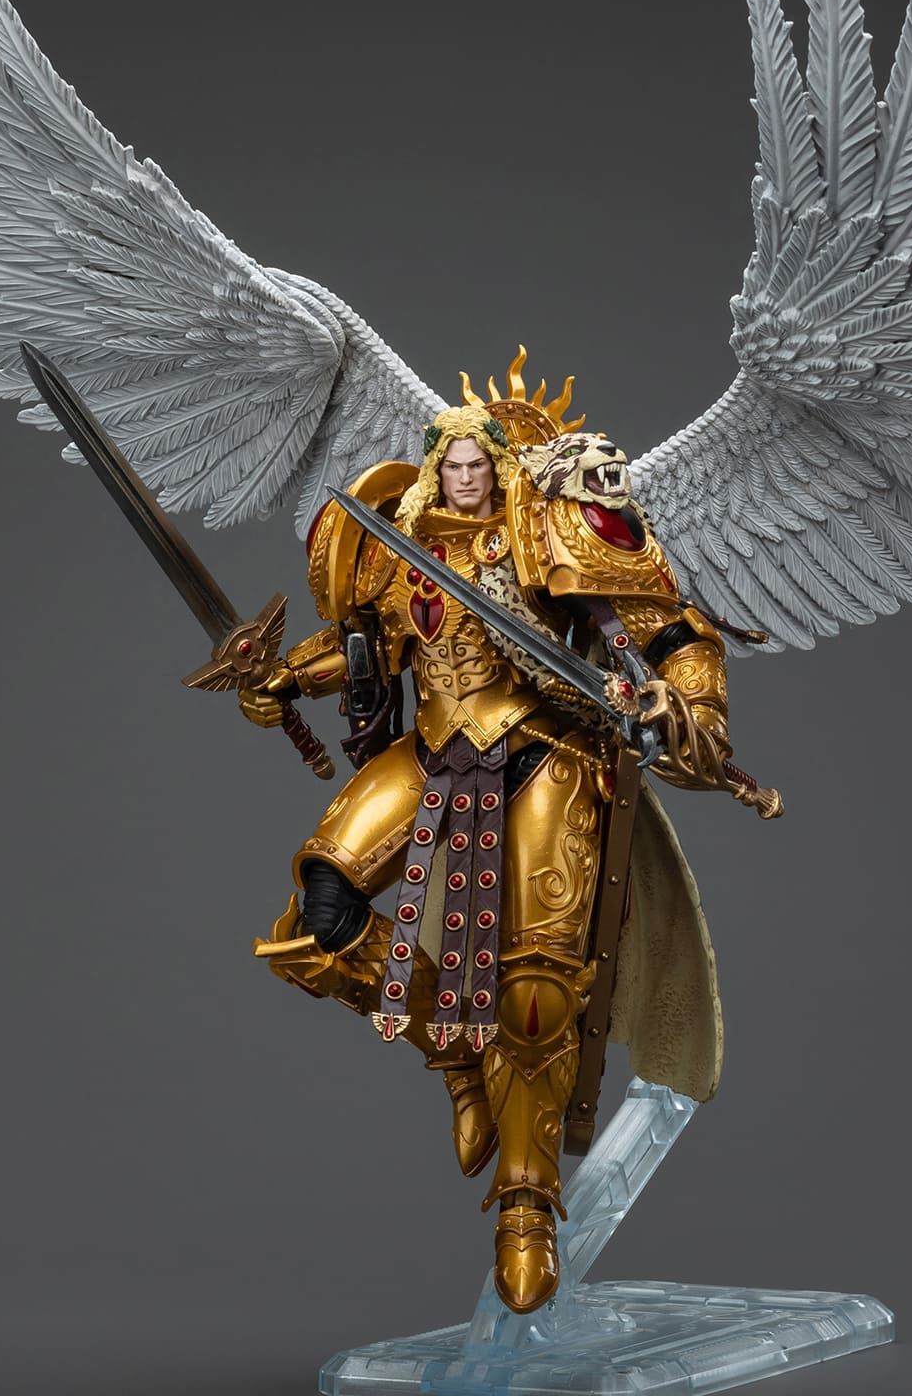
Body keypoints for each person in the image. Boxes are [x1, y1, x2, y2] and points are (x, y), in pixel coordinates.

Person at [242, 371, 733, 1312]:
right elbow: (362, 648)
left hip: (545, 750)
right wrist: (283, 681)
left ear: (500, 470)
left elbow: (671, 629)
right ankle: (456, 1056)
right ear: (434, 470)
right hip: (435, 747)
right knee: (321, 914)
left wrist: (689, 706)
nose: (463, 477)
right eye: (451, 464)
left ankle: (526, 1205)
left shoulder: (554, 529)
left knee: (537, 988)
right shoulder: (400, 549)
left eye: (478, 464)